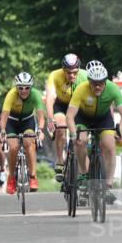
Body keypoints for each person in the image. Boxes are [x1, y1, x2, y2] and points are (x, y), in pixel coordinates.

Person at [66, 60, 122, 204]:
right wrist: (72, 133)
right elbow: (70, 116)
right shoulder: (81, 89)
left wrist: (120, 131)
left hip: (103, 118)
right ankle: (83, 174)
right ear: (89, 80)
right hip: (83, 118)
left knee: (110, 145)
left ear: (105, 81)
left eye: (101, 82)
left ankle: (107, 186)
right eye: (94, 82)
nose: (97, 85)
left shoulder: (113, 89)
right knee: (80, 141)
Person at [0, 72, 46, 195]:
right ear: (16, 87)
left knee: (29, 142)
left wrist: (40, 129)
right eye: (20, 88)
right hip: (12, 122)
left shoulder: (36, 94)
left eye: (27, 88)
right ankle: (12, 178)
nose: (24, 91)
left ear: (31, 87)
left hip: (27, 121)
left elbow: (41, 116)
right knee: (13, 147)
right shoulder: (11, 94)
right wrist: (3, 130)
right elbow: (4, 116)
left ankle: (33, 176)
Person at [45, 53, 88, 181]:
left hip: (78, 107)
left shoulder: (85, 76)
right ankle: (59, 161)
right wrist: (50, 118)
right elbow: (50, 98)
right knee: (60, 128)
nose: (72, 75)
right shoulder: (54, 75)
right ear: (63, 70)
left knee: (82, 138)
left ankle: (83, 171)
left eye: (75, 72)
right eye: (68, 72)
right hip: (62, 106)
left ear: (79, 70)